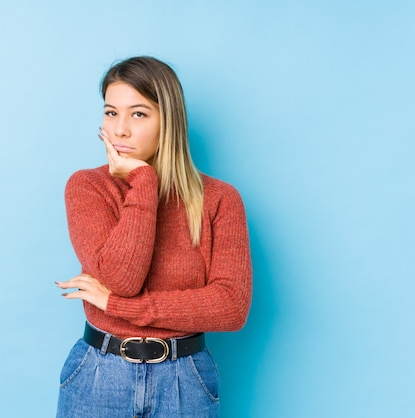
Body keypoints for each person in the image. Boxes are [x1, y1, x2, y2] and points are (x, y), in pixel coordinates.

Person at [55, 56, 252, 417]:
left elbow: (230, 307)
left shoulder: (221, 199)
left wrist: (117, 307)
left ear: (169, 122)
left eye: (139, 114)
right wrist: (144, 182)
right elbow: (121, 278)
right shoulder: (87, 187)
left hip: (185, 379)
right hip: (100, 374)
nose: (120, 130)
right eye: (111, 113)